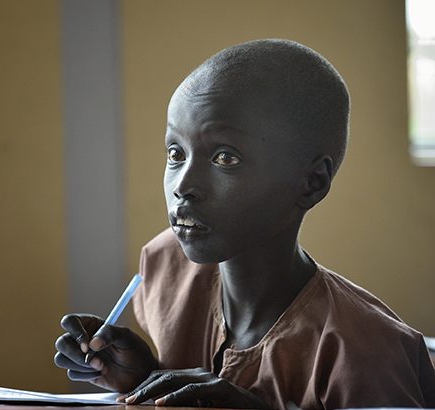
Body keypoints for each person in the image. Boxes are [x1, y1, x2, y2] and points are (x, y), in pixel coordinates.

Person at [53, 39, 435, 409]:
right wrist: (148, 378)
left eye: (225, 158)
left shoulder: (364, 351)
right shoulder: (169, 269)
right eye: (176, 153)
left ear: (312, 182)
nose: (183, 186)